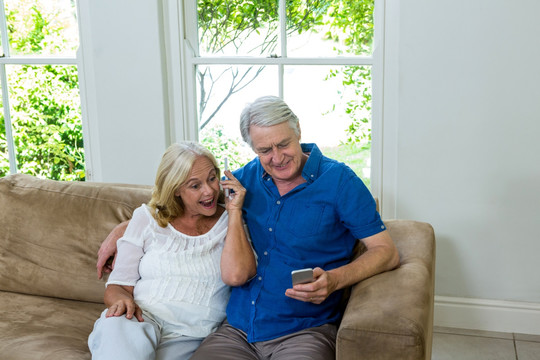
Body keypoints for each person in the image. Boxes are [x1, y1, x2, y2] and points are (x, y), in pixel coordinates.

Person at [97, 96, 400, 359]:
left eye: (284, 144)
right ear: (252, 147)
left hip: (304, 330)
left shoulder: (341, 182)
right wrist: (126, 227)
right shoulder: (245, 180)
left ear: (298, 132)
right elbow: (188, 200)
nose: (277, 158)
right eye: (264, 149)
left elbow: (386, 252)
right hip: (237, 331)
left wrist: (334, 280)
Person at [88, 141, 256, 360]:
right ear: (176, 189)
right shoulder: (146, 219)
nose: (209, 191)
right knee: (119, 339)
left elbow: (239, 274)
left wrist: (234, 211)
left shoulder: (232, 222)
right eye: (195, 186)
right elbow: (117, 286)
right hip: (139, 320)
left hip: (190, 335)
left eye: (212, 178)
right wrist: (121, 300)